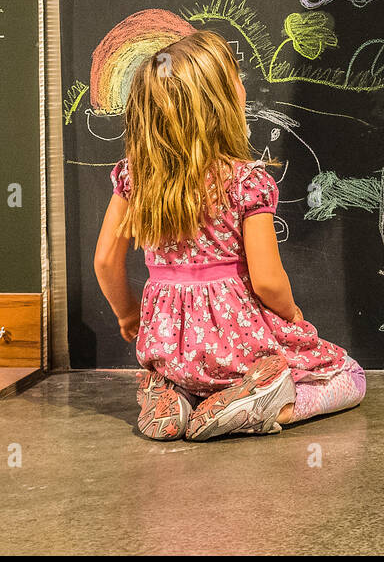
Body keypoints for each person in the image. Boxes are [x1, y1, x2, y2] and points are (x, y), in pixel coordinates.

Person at [93, 30, 365, 440]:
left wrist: (129, 314)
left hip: (167, 349)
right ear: (219, 102)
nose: (242, 83)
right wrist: (291, 314)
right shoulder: (246, 182)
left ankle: (175, 392)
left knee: (188, 377)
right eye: (235, 76)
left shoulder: (136, 176)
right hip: (238, 349)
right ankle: (264, 406)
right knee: (349, 375)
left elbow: (105, 261)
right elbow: (267, 280)